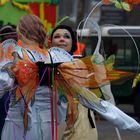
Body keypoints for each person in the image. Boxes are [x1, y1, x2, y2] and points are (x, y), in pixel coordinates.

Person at [0, 14, 140, 140]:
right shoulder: (56, 57)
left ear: (20, 32)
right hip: (48, 129)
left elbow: (3, 83)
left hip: (18, 127)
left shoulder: (14, 55)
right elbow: (93, 101)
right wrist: (133, 125)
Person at [50, 25, 98, 140]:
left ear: (72, 43)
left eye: (66, 37)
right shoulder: (42, 64)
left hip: (81, 125)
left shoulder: (80, 64)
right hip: (52, 121)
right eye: (57, 36)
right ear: (50, 42)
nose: (62, 39)